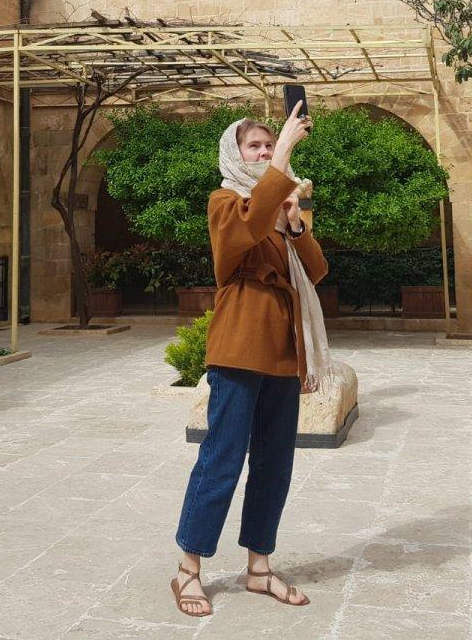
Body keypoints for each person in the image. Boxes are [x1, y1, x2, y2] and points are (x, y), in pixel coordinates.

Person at [170, 101, 336, 618]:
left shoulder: (282, 204)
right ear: (235, 153)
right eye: (256, 147)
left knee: (274, 463)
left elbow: (317, 271)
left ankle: (259, 567)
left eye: (270, 145)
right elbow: (239, 238)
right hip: (241, 342)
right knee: (221, 457)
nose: (264, 153)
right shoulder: (225, 202)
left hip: (284, 349)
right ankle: (188, 571)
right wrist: (285, 157)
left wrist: (296, 225)